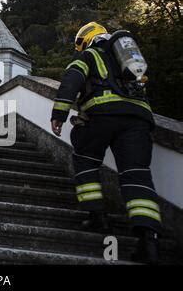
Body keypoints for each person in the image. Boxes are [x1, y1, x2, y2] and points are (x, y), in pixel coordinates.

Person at [50, 22, 162, 264]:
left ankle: (97, 216)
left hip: (100, 117)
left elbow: (71, 81)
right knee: (137, 176)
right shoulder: (128, 60)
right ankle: (148, 239)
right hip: (138, 120)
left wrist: (58, 115)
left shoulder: (89, 54)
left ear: (85, 41)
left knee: (86, 162)